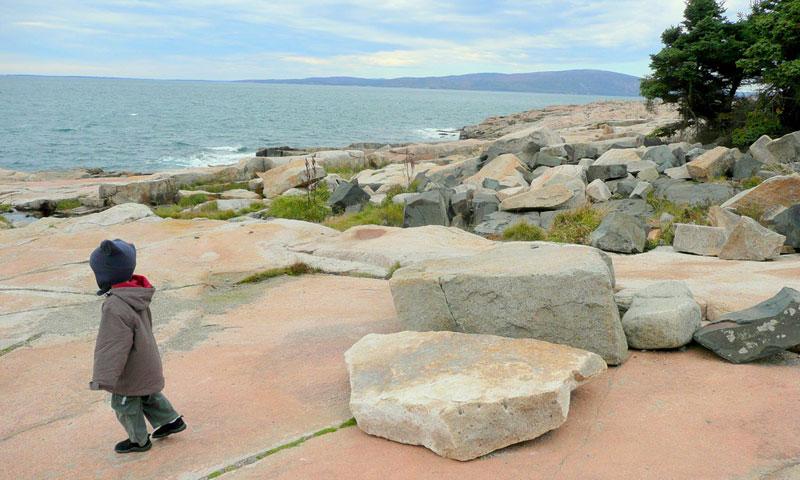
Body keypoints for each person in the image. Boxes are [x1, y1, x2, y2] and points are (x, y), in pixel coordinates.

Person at [88, 239, 186, 453]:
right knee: (148, 393)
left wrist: (103, 377)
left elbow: (112, 345)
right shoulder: (136, 293)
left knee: (124, 403)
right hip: (146, 358)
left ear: (104, 274)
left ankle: (138, 440)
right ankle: (171, 421)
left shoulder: (115, 305)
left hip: (130, 368)